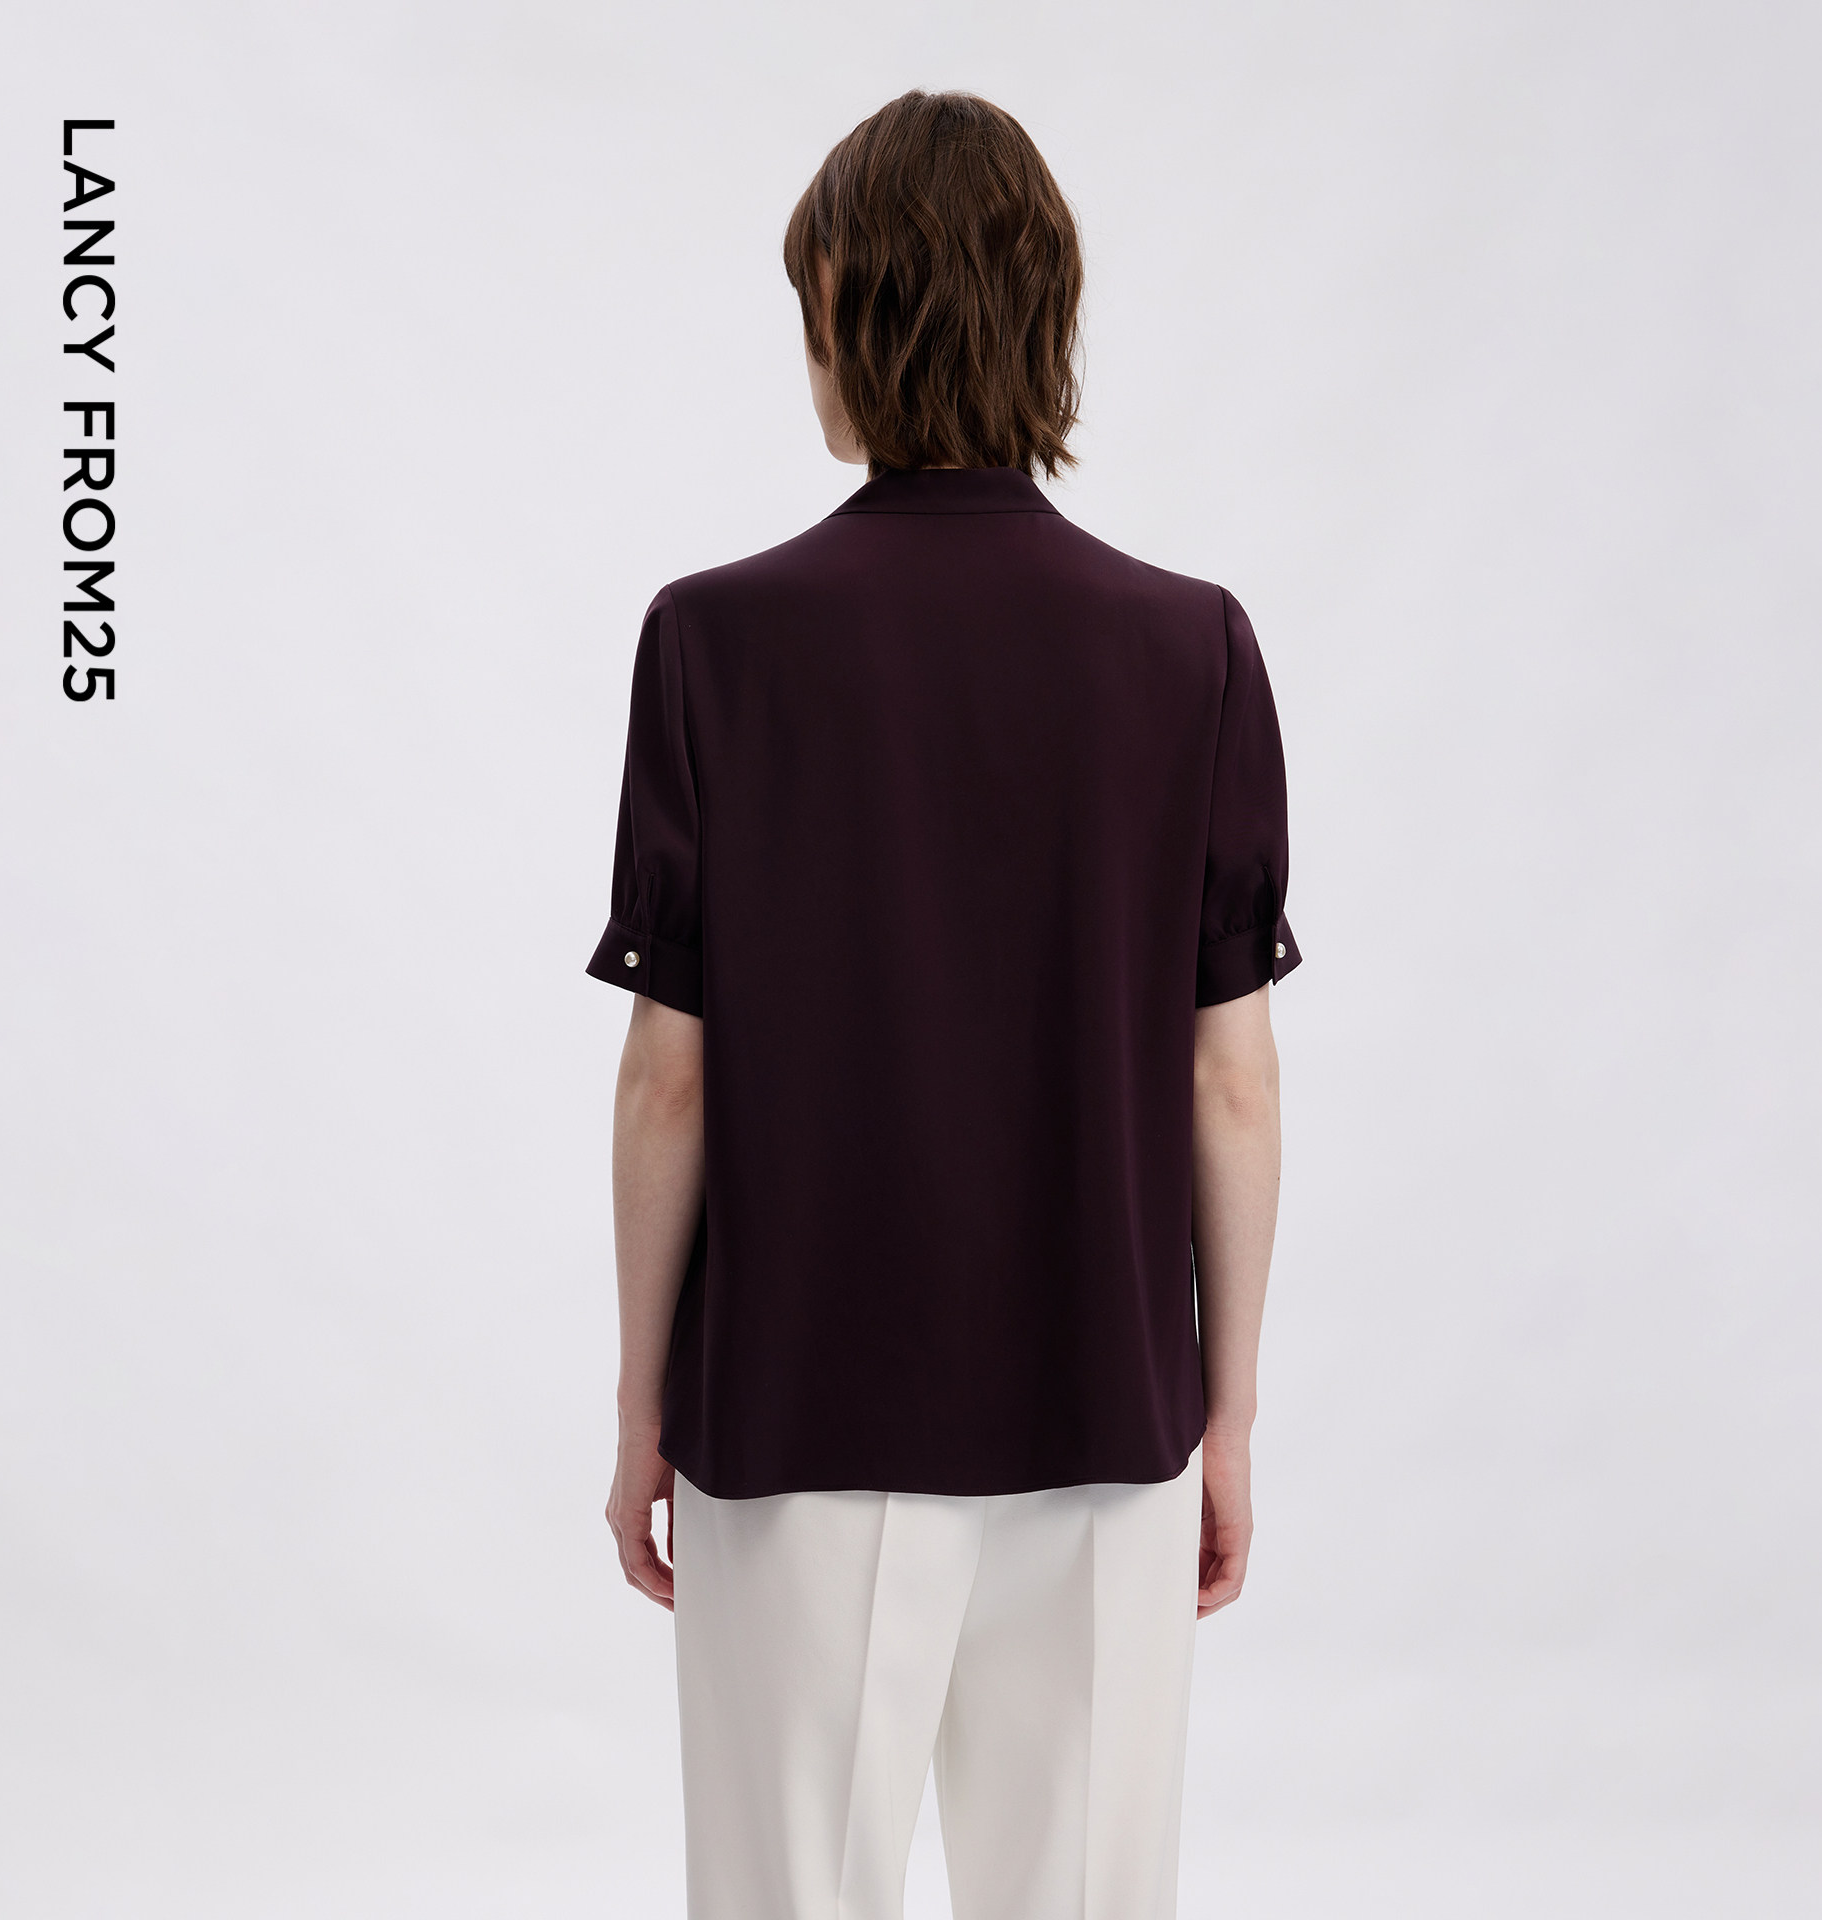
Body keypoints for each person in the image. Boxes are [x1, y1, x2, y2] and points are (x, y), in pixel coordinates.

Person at [588, 88, 1299, 1920]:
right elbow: (1229, 1082)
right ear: (1042, 313)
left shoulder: (715, 643)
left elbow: (671, 1083)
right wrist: (1227, 1414)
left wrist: (640, 1403)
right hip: (1105, 1410)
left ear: (849, 307)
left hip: (794, 1411)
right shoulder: (1192, 649)